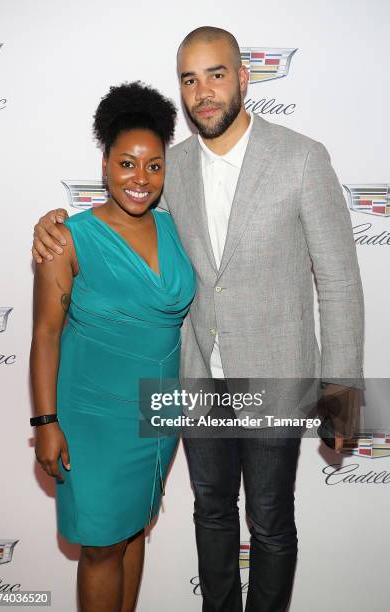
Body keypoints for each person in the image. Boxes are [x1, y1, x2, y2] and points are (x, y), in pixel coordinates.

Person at [31, 27, 364, 612]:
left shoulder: (302, 158)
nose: (203, 91)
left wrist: (342, 388)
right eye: (189, 78)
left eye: (215, 74)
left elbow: (338, 280)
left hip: (275, 378)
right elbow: (115, 221)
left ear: (242, 77)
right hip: (192, 382)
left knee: (269, 523)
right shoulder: (168, 169)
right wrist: (50, 224)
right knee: (210, 513)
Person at [30, 81, 196, 612]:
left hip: (159, 414)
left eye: (154, 166)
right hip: (92, 418)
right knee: (100, 546)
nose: (140, 179)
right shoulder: (68, 238)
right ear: (104, 165)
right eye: (127, 163)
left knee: (131, 531)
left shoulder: (176, 228)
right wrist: (45, 423)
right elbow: (45, 335)